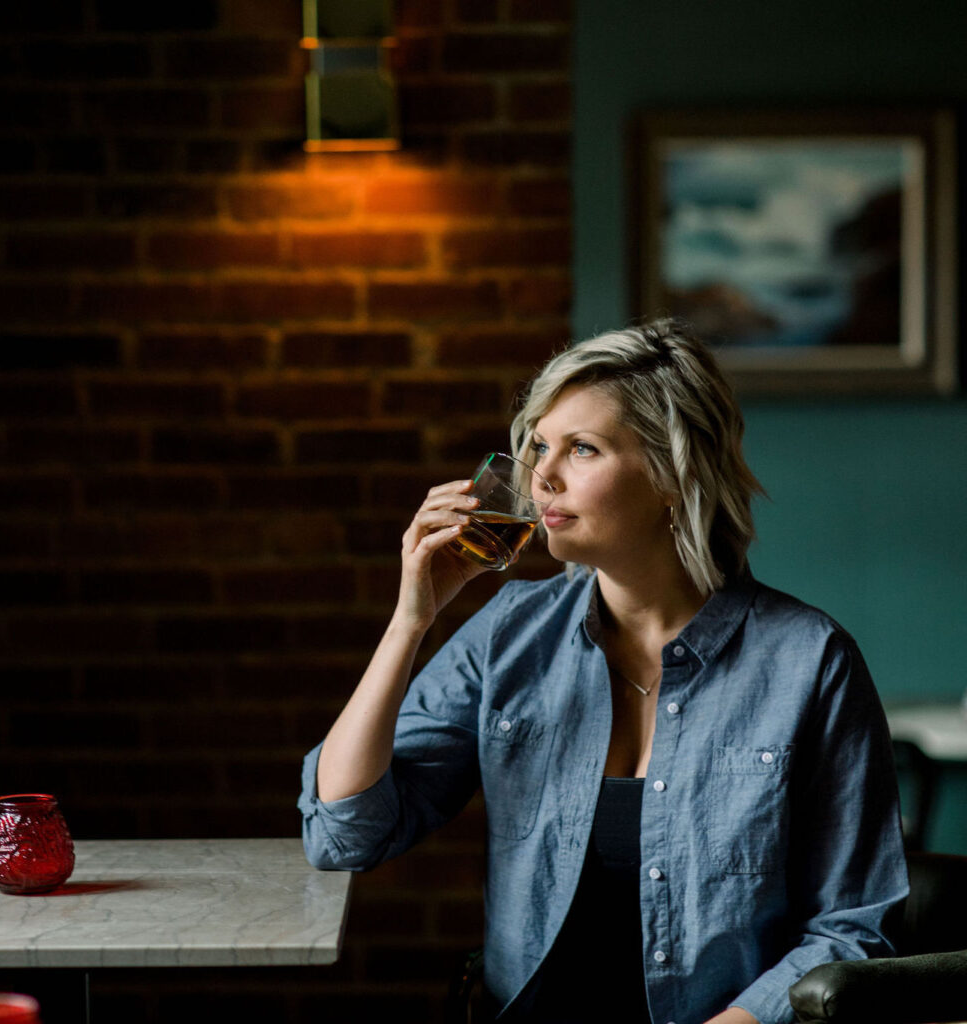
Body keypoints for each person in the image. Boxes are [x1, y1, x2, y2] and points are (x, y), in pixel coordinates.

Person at [299, 319, 908, 1024]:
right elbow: (345, 834)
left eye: (582, 448)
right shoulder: (511, 632)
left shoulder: (810, 661)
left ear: (673, 474)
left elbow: (853, 928)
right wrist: (412, 621)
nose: (543, 478)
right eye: (539, 447)